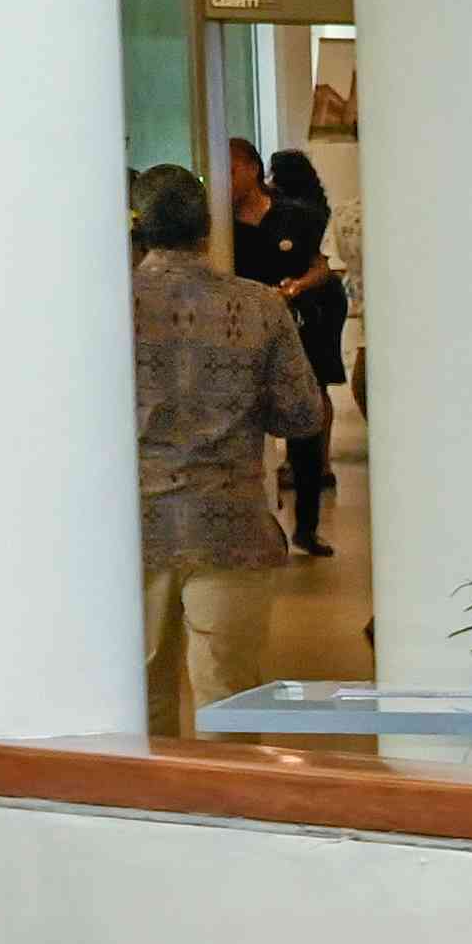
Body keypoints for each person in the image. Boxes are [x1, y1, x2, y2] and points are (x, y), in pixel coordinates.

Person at [126, 163, 323, 731]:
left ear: (139, 229)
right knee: (229, 698)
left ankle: (144, 818)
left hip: (134, 531)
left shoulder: (104, 310)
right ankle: (231, 816)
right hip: (230, 525)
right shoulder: (260, 306)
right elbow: (303, 416)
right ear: (207, 228)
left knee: (140, 703)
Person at [240, 142, 347, 554]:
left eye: (233, 170)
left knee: (306, 410)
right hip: (244, 333)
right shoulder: (221, 226)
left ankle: (307, 522)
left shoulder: (296, 216)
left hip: (298, 325)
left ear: (253, 169)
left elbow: (322, 265)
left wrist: (297, 287)